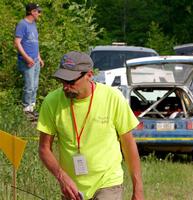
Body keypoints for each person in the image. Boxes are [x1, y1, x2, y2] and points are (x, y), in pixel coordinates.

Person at [37, 51, 144, 200]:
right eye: (62, 81)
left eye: (71, 81)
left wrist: (138, 189)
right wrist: (62, 177)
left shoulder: (112, 97)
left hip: (108, 182)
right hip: (72, 189)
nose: (66, 87)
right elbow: (44, 148)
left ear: (89, 75)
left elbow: (128, 144)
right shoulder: (52, 101)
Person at [14, 3, 44, 114]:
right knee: (29, 86)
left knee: (35, 86)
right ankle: (26, 109)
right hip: (27, 61)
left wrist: (39, 57)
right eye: (38, 11)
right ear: (32, 12)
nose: (39, 14)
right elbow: (17, 43)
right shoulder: (22, 24)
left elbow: (35, 43)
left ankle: (32, 108)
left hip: (35, 60)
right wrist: (27, 58)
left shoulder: (33, 25)